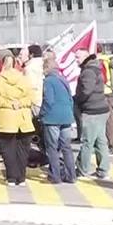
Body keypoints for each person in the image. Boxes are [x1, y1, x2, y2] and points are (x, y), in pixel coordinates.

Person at [0, 52, 33, 186]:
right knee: (23, 150)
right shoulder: (24, 78)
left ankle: (11, 177)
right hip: (24, 119)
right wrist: (19, 103)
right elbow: (31, 97)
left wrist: (9, 104)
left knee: (8, 150)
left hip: (5, 119)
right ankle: (22, 177)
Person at [39, 55, 76, 184]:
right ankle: (71, 175)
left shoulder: (48, 81)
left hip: (52, 118)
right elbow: (71, 99)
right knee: (66, 147)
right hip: (66, 116)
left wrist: (41, 114)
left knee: (52, 148)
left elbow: (48, 100)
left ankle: (55, 176)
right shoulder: (63, 79)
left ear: (47, 68)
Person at [75, 53, 111, 179]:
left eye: (77, 57)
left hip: (92, 110)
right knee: (100, 141)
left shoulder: (88, 72)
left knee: (87, 142)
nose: (76, 59)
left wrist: (77, 100)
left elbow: (86, 90)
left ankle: (82, 170)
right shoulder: (96, 68)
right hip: (102, 108)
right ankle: (103, 170)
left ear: (85, 57)